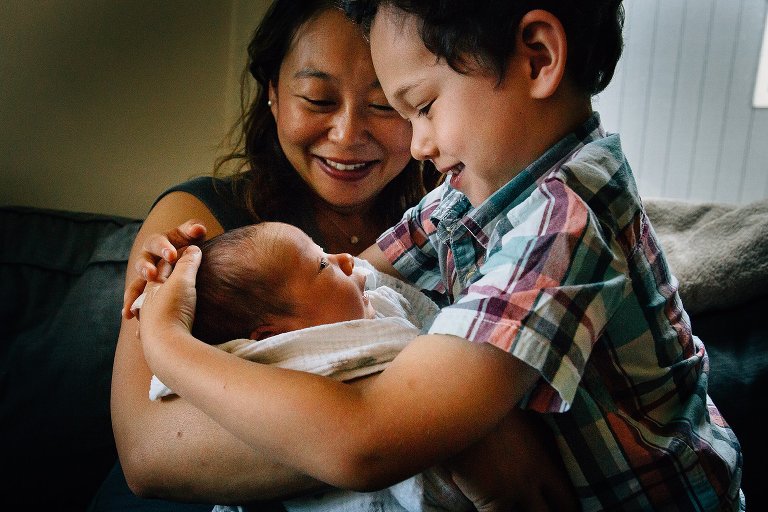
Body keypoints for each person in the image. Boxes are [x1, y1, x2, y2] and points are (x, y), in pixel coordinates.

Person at [133, 0, 745, 510]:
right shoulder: (474, 196)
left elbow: (367, 443)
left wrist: (170, 345)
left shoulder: (566, 219)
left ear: (538, 57)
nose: (419, 144)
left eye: (420, 107)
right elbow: (362, 281)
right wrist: (208, 281)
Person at [97, 0, 575, 510]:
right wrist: (454, 429)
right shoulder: (201, 227)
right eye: (318, 99)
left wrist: (424, 418)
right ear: (274, 97)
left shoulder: (460, 211)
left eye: (387, 104)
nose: (347, 135)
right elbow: (149, 453)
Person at [138, 222, 475, 512]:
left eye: (324, 252)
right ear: (277, 336)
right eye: (322, 266)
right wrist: (165, 335)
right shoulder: (281, 360)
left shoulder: (361, 305)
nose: (345, 261)